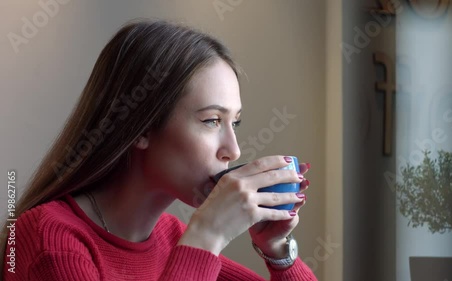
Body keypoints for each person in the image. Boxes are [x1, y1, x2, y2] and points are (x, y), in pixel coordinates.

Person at [0, 18, 316, 280]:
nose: (232, 150)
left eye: (235, 123)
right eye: (210, 121)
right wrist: (207, 236)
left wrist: (277, 250)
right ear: (140, 128)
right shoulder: (51, 240)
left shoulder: (172, 238)